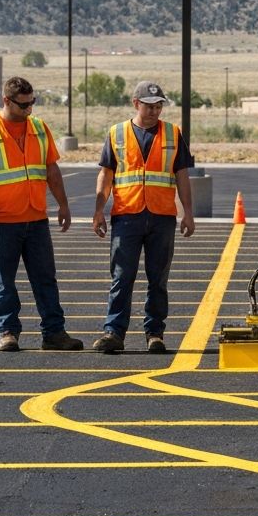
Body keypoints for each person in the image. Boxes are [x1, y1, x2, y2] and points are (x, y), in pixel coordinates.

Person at [0, 76, 83, 352]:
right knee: (4, 280)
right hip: (1, 221)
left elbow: (51, 170)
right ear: (6, 101)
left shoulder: (40, 129)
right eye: (23, 105)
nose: (29, 109)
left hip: (36, 218)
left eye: (32, 103)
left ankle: (54, 333)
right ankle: (8, 332)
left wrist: (63, 204)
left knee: (45, 278)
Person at [91, 81, 196, 354]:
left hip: (162, 216)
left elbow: (182, 176)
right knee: (122, 277)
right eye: (149, 106)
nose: (154, 111)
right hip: (127, 215)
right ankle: (113, 332)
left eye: (159, 106)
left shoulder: (173, 134)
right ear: (135, 103)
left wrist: (188, 214)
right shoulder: (117, 134)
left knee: (158, 279)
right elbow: (106, 174)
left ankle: (155, 333)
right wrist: (98, 211)